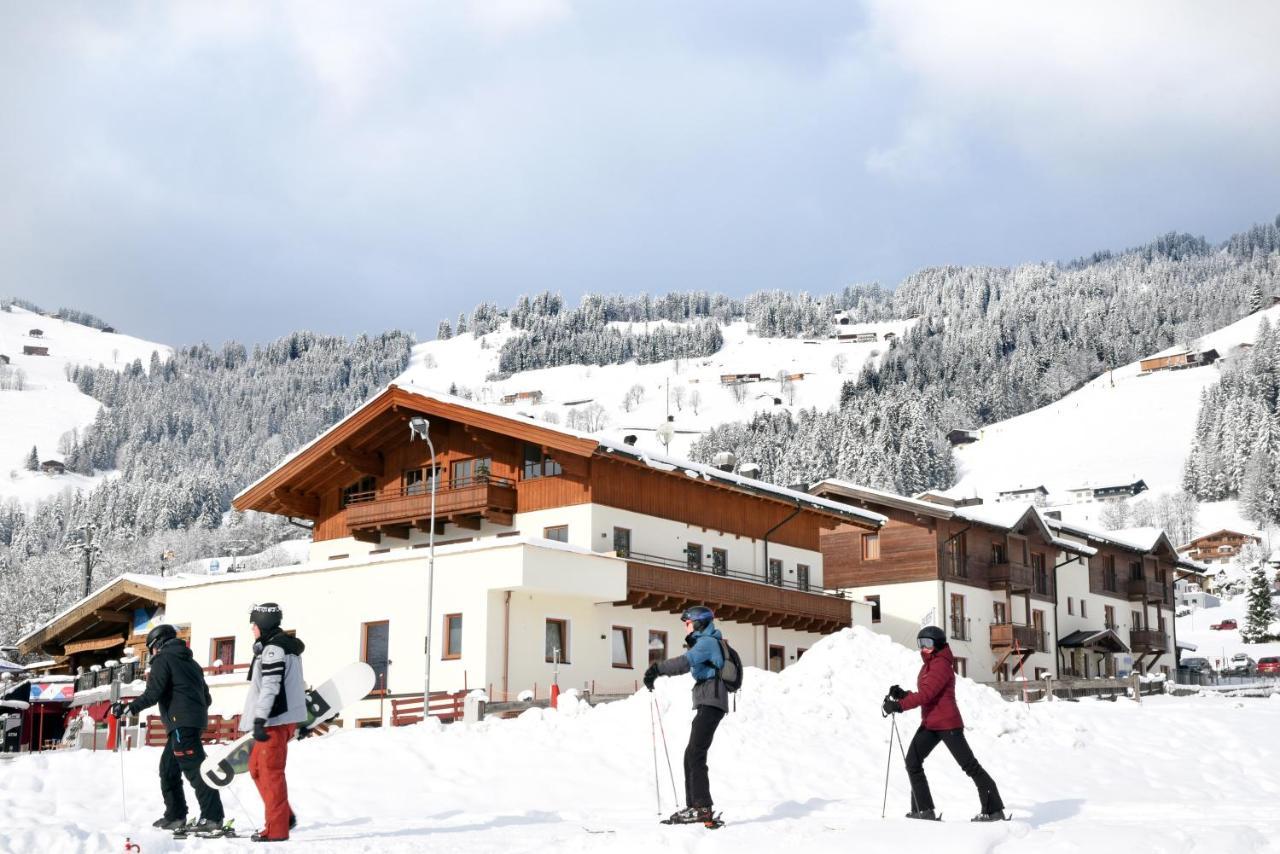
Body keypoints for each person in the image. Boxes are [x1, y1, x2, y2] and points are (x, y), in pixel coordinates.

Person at [882, 625, 1007, 822]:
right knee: (913, 762)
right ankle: (924, 810)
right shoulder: (928, 665)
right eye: (920, 643)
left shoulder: (941, 664)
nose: (923, 648)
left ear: (938, 644)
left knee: (969, 766)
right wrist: (903, 695)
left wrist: (899, 706)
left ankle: (994, 810)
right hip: (931, 723)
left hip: (948, 724)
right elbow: (927, 694)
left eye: (928, 643)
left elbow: (927, 694)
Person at [111, 623, 226, 835]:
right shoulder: (192, 664)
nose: (152, 653)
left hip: (181, 724)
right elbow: (206, 697)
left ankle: (212, 817)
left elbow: (153, 693)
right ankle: (175, 815)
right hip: (192, 723)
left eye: (152, 648)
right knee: (168, 769)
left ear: (159, 643)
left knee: (195, 770)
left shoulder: (163, 660)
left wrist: (128, 708)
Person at [642, 605, 726, 826]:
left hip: (712, 701)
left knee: (696, 754)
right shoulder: (705, 642)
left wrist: (656, 669)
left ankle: (701, 808)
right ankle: (695, 807)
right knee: (691, 754)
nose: (685, 627)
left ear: (698, 623)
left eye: (687, 623)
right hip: (709, 701)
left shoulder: (707, 643)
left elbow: (684, 663)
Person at [242, 602, 306, 843]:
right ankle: (284, 815)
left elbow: (270, 686)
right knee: (256, 769)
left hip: (274, 721)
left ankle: (277, 830)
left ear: (263, 624)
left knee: (270, 773)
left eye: (254, 625)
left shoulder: (273, 650)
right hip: (275, 719)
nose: (252, 630)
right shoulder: (278, 647)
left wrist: (260, 718)